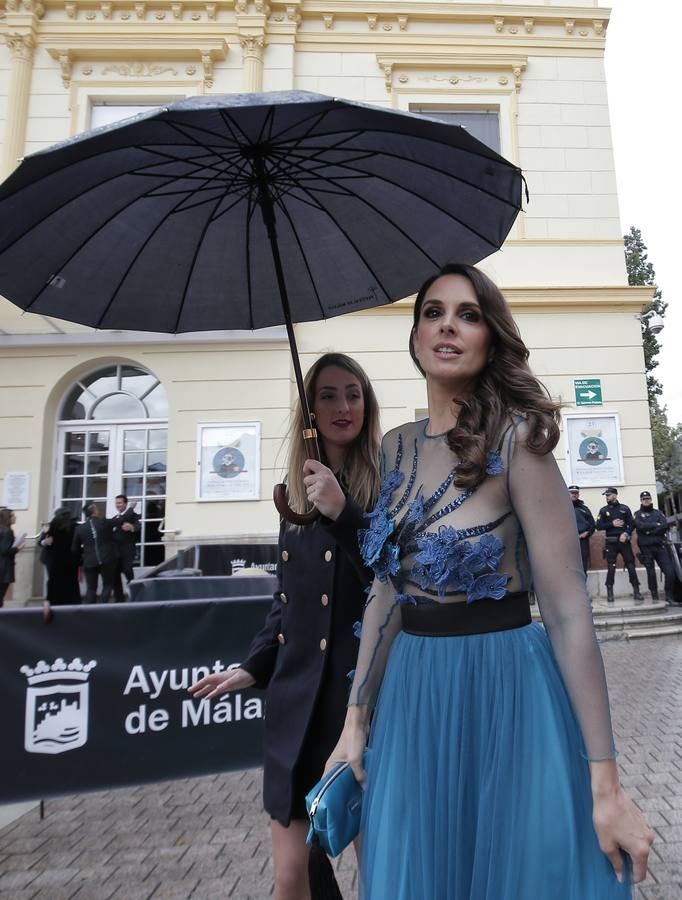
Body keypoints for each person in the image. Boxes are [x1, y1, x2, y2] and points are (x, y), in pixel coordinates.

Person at [326, 264, 652, 900]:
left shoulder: (519, 439)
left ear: (488, 338)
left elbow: (566, 611)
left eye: (468, 314)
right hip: (415, 694)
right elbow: (387, 593)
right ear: (416, 334)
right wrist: (355, 719)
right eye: (433, 312)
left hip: (507, 688)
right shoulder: (393, 447)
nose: (448, 324)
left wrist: (605, 783)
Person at [189, 352, 381, 900]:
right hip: (296, 706)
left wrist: (345, 513)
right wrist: (254, 666)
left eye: (353, 393)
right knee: (291, 879)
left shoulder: (387, 483)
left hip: (360, 705)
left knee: (381, 874)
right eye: (328, 396)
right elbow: (286, 600)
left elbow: (391, 580)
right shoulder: (295, 493)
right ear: (310, 413)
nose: (343, 406)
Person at [72, 501, 134, 604]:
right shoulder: (104, 522)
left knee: (91, 589)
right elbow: (121, 519)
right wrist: (131, 508)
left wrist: (85, 554)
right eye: (97, 508)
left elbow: (75, 549)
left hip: (90, 561)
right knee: (107, 585)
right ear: (94, 511)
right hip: (107, 560)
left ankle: (90, 611)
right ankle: (102, 607)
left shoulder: (80, 529)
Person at [596, 488, 643, 603]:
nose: (607, 497)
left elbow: (632, 524)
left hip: (623, 541)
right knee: (611, 567)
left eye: (609, 495)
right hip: (611, 542)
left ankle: (636, 591)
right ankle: (610, 593)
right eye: (606, 495)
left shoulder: (624, 508)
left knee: (631, 565)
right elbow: (598, 526)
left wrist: (626, 533)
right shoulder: (603, 510)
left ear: (615, 495)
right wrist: (611, 524)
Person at [634, 490, 676, 605]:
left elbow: (664, 526)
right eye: (644, 499)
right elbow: (640, 526)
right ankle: (655, 596)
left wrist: (649, 531)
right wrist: (654, 525)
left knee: (670, 572)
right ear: (641, 501)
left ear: (651, 499)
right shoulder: (637, 514)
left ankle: (669, 597)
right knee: (651, 573)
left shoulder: (658, 513)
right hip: (646, 548)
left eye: (648, 498)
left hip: (659, 546)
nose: (646, 500)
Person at [40, 507, 81, 604]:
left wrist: (45, 541)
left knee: (54, 582)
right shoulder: (74, 526)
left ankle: (54, 602)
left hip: (54, 560)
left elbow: (42, 541)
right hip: (70, 560)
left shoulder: (52, 525)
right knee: (71, 583)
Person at [111, 493, 140, 602]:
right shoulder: (115, 518)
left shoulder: (132, 515)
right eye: (116, 503)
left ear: (125, 504)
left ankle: (134, 595)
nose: (117, 505)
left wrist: (132, 527)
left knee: (128, 571)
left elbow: (138, 526)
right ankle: (119, 599)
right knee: (115, 575)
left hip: (127, 550)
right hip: (115, 553)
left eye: (119, 503)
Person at [569, 484, 595, 575]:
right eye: (572, 493)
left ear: (578, 494)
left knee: (583, 564)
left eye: (576, 493)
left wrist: (587, 533)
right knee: (569, 564)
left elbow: (592, 524)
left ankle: (583, 586)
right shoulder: (563, 507)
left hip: (582, 540)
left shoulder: (584, 509)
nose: (574, 495)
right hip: (568, 541)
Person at [0, 508, 24, 606]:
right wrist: (17, 548)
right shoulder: (7, 531)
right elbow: (5, 550)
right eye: (13, 516)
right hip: (4, 567)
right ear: (8, 518)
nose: (15, 517)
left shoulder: (2, 529)